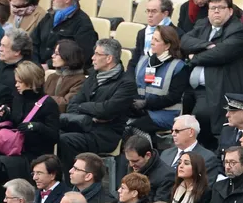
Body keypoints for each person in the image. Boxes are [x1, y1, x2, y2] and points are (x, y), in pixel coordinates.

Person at [180, 0, 243, 143]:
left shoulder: (238, 30)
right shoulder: (203, 24)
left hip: (218, 89)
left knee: (200, 118)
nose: (216, 11)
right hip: (193, 89)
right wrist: (206, 45)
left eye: (220, 7)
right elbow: (184, 41)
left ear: (230, 11)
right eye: (212, 8)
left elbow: (220, 54)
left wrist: (194, 57)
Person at [57, 38, 135, 168]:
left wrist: (83, 107)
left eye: (97, 54)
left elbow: (107, 110)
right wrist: (91, 114)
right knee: (49, 132)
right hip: (82, 125)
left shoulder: (126, 83)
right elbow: (72, 105)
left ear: (109, 58)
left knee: (65, 140)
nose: (92, 58)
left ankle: (72, 182)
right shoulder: (94, 76)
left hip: (105, 134)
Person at [0, 60, 60, 183]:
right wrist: (6, 114)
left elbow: (54, 136)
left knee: (0, 164)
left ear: (30, 82)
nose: (16, 85)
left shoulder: (49, 104)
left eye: (19, 82)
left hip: (34, 154)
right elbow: (16, 123)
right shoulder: (18, 98)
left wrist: (36, 126)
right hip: (14, 150)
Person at [129, 24, 187, 135]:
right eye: (152, 39)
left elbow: (173, 97)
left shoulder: (179, 67)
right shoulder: (143, 61)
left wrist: (146, 103)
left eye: (156, 40)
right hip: (142, 109)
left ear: (167, 46)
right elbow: (134, 86)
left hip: (165, 114)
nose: (151, 42)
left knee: (135, 128)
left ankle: (148, 151)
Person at [43, 39, 87, 113]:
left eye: (57, 54)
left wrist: (43, 99)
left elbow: (67, 104)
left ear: (67, 56)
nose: (52, 56)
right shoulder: (52, 76)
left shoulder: (80, 80)